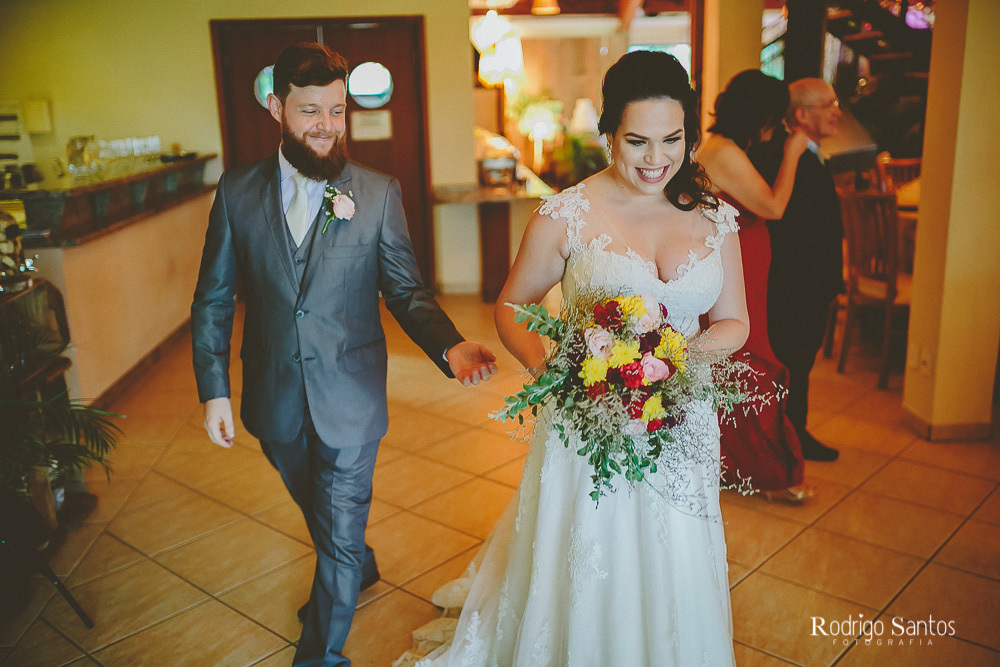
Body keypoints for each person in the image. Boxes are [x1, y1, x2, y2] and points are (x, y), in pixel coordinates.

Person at [409, 50, 748, 665]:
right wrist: (552, 374)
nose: (656, 159)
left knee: (673, 549)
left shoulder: (717, 220)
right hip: (586, 410)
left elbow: (734, 322)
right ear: (608, 135)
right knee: (595, 547)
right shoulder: (565, 214)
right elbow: (513, 304)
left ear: (690, 136)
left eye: (672, 139)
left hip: (681, 417)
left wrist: (672, 360)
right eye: (637, 141)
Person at [190, 43, 498, 667]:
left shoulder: (378, 193)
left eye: (337, 110)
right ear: (277, 107)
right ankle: (358, 563)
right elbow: (214, 299)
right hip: (273, 395)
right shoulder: (237, 192)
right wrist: (214, 387)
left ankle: (319, 654)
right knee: (321, 507)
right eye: (311, 111)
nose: (327, 125)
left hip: (351, 397)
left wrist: (450, 344)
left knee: (337, 517)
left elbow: (406, 291)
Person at [697, 70, 815, 502]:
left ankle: (742, 464)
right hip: (738, 264)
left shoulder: (724, 148)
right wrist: (794, 153)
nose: (778, 128)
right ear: (761, 117)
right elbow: (773, 206)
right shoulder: (724, 152)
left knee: (744, 358)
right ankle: (767, 471)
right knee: (750, 356)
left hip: (745, 262)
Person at [748, 78, 843, 462]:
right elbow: (791, 227)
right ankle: (786, 438)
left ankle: (794, 433)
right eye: (828, 104)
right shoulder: (786, 158)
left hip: (811, 281)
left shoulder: (806, 154)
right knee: (794, 360)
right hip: (795, 282)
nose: (837, 111)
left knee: (802, 361)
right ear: (801, 114)